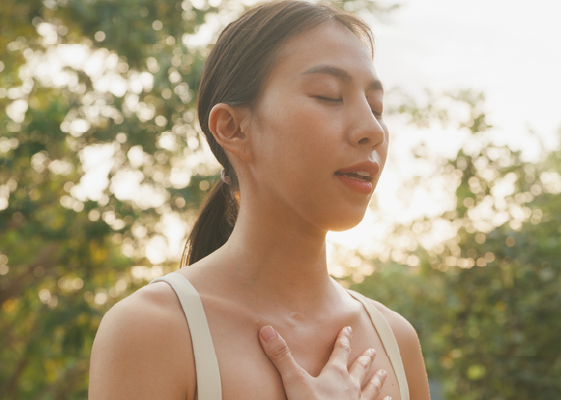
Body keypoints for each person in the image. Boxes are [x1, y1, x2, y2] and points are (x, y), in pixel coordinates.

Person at [89, 1, 430, 399]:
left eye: (376, 107)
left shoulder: (395, 340)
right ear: (233, 129)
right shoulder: (151, 331)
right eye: (329, 96)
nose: (372, 129)